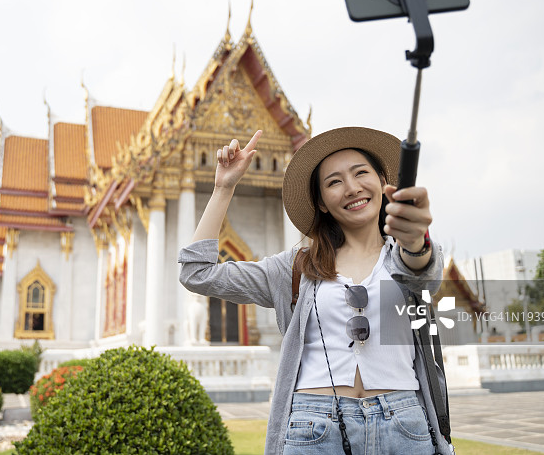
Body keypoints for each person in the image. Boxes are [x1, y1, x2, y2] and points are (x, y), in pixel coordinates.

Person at [178, 127, 452, 455]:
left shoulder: (406, 257)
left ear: (383, 182)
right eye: (334, 182)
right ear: (321, 202)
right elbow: (197, 273)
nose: (351, 188)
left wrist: (415, 240)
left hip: (403, 423)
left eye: (361, 173)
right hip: (315, 426)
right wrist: (224, 187)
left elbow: (425, 274)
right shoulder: (296, 269)